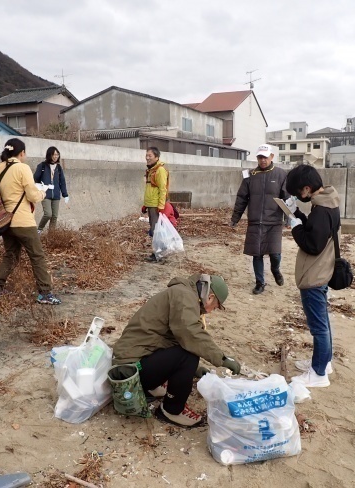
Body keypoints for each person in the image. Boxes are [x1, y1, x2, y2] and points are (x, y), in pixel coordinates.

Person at [112, 273, 241, 427]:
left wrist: (196, 370)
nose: (211, 311)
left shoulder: (184, 293)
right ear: (210, 297)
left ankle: (152, 388)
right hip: (129, 373)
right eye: (215, 307)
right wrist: (223, 359)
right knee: (188, 355)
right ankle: (171, 410)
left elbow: (172, 339)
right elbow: (191, 334)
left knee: (186, 350)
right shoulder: (184, 297)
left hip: (135, 361)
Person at [284, 164, 341, 388]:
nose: (299, 196)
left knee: (318, 326)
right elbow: (317, 231)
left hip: (314, 273)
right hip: (324, 270)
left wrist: (295, 227)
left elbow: (312, 244)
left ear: (306, 188)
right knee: (323, 322)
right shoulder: (328, 202)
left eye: (299, 192)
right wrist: (296, 214)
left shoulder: (320, 210)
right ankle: (324, 362)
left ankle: (318, 374)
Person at [0, 138, 61, 305]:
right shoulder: (22, 168)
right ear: (21, 153)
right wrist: (42, 192)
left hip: (5, 221)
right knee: (37, 256)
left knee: (11, 255)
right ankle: (45, 293)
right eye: (25, 153)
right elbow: (33, 195)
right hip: (22, 221)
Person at [230, 144, 288, 294]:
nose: (262, 160)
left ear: (272, 157)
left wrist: (290, 217)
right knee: (257, 254)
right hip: (255, 221)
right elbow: (241, 197)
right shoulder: (249, 175)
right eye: (260, 157)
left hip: (274, 221)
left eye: (265, 157)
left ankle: (275, 269)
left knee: (275, 253)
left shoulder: (281, 174)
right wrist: (235, 218)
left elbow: (287, 198)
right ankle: (260, 283)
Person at [33, 146, 69, 232]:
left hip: (56, 195)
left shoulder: (59, 168)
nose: (56, 156)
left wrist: (65, 194)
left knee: (54, 216)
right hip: (45, 194)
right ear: (49, 155)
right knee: (48, 214)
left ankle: (51, 235)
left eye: (57, 154)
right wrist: (42, 187)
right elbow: (35, 179)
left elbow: (62, 182)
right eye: (54, 154)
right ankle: (39, 229)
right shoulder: (42, 166)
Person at [143, 147, 169, 262]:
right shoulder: (151, 170)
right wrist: (145, 204)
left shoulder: (160, 170)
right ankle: (158, 253)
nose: (147, 158)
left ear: (157, 157)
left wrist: (161, 206)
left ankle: (160, 255)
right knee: (154, 230)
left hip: (156, 206)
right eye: (146, 155)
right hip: (151, 204)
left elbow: (163, 189)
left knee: (156, 231)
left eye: (150, 156)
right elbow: (150, 189)